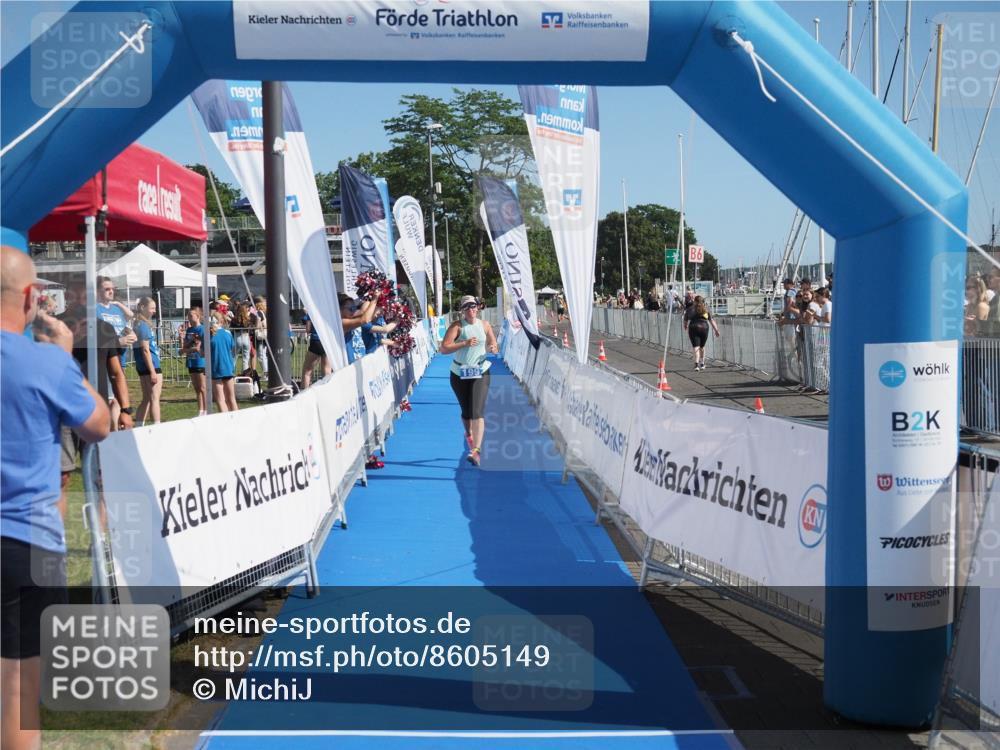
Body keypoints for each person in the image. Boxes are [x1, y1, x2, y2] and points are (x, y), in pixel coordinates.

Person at [1, 246, 110, 750]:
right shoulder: (45, 361)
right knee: (19, 695)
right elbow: (99, 424)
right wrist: (65, 355)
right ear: (29, 298)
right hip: (28, 543)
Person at [440, 295, 499, 466]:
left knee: (477, 411)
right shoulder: (457, 326)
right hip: (459, 373)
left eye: (473, 307)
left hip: (481, 370)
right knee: (466, 412)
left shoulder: (485, 325)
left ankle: (476, 451)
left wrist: (494, 348)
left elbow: (493, 344)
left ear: (478, 308)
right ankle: (469, 435)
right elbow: (444, 349)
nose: (471, 310)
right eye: (467, 307)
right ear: (463, 310)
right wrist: (464, 343)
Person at [131, 297, 162, 426]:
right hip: (151, 365)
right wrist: (152, 371)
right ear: (143, 307)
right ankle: (157, 425)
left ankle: (139, 425)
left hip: (144, 365)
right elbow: (145, 349)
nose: (154, 311)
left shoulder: (139, 324)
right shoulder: (142, 325)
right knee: (154, 399)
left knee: (147, 399)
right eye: (152, 308)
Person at [209, 312, 238, 411]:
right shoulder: (228, 333)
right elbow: (231, 348)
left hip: (216, 368)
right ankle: (238, 421)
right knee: (231, 398)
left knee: (220, 399)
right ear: (221, 321)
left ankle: (225, 423)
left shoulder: (209, 335)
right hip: (228, 367)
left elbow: (203, 353)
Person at [683, 295, 720, 371]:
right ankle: (702, 363)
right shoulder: (706, 309)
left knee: (696, 347)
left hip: (693, 327)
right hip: (704, 328)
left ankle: (696, 365)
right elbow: (711, 320)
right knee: (702, 347)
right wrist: (716, 330)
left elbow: (685, 319)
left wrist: (685, 326)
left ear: (694, 301)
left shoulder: (690, 309)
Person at [182, 307, 207, 416]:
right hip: (191, 360)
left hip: (200, 361)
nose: (189, 318)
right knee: (196, 388)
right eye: (188, 316)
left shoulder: (202, 329)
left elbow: (198, 348)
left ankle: (206, 409)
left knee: (202, 387)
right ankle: (200, 409)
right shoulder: (189, 330)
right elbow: (184, 346)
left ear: (198, 316)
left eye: (191, 315)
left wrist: (186, 349)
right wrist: (183, 339)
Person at [300, 312, 331, 389]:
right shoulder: (329, 310)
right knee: (327, 370)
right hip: (327, 341)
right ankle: (327, 391)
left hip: (316, 341)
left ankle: (304, 393)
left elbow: (308, 329)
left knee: (307, 371)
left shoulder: (312, 311)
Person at [231, 301, 253, 372]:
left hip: (237, 338)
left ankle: (231, 372)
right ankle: (245, 373)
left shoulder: (234, 319)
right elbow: (250, 328)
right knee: (246, 358)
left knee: (234, 357)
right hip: (246, 338)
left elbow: (231, 327)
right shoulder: (248, 319)